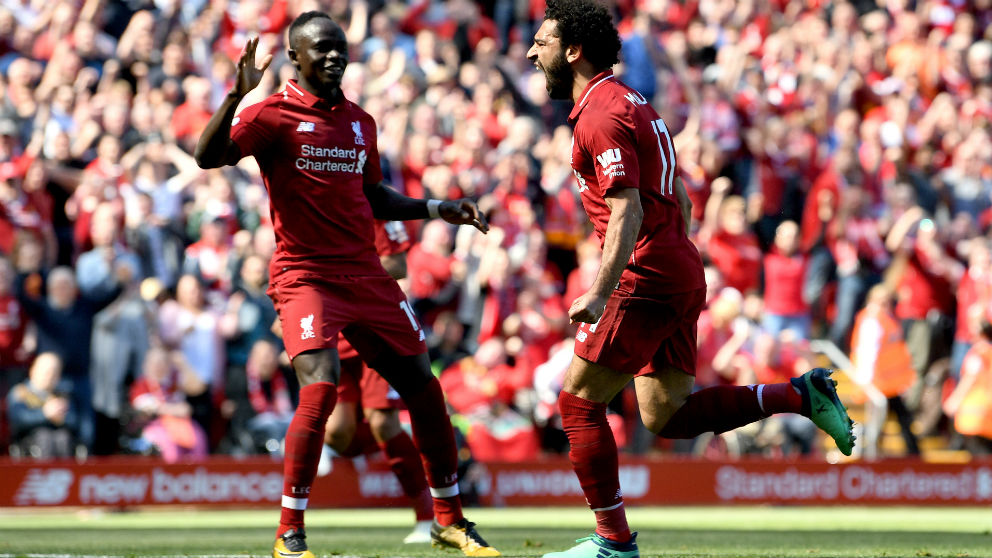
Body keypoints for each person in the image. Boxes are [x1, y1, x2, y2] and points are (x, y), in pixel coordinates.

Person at [525, 2, 855, 557]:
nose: (534, 54)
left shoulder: (601, 115)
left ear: (573, 50)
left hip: (644, 272)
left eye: (542, 42)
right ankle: (798, 394)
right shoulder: (637, 105)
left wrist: (603, 289)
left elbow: (627, 209)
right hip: (677, 265)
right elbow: (677, 195)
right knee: (666, 414)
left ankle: (613, 544)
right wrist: (674, 250)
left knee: (578, 405)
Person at [194, 12, 498, 558]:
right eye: (322, 49)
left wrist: (436, 208)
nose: (334, 56)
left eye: (340, 48)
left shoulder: (360, 121)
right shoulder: (271, 115)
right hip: (306, 275)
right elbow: (207, 156)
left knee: (426, 391)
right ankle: (290, 533)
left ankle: (448, 520)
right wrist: (236, 96)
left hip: (365, 274)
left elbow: (374, 196)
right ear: (295, 57)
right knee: (320, 390)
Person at [322, 218, 435, 545]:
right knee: (338, 434)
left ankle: (427, 516)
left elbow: (397, 265)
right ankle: (376, 441)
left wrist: (342, 277)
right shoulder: (314, 206)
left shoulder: (376, 209)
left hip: (374, 330)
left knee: (383, 423)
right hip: (335, 333)